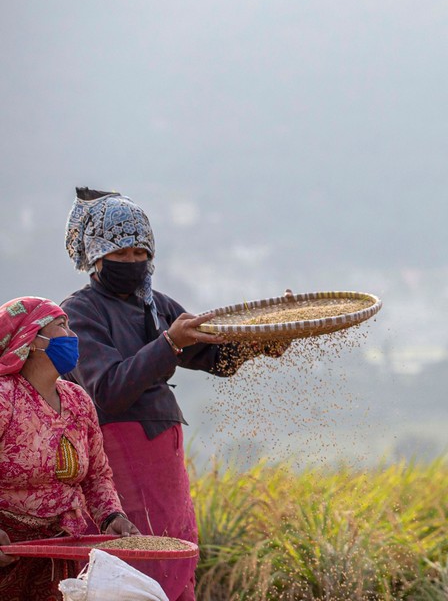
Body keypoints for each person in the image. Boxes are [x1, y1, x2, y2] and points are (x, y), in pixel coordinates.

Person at [61, 188, 285, 601]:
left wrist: (265, 341)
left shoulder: (155, 305)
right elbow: (107, 390)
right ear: (95, 255)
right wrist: (167, 344)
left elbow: (213, 355)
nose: (132, 262)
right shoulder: (80, 312)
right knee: (141, 555)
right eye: (120, 253)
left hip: (165, 450)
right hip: (121, 450)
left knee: (178, 544)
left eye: (140, 253)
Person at [0, 296, 139, 601]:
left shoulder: (78, 401)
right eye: (61, 325)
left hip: (59, 549)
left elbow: (97, 474)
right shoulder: (4, 398)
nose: (72, 335)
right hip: (6, 549)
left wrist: (111, 517)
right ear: (32, 339)